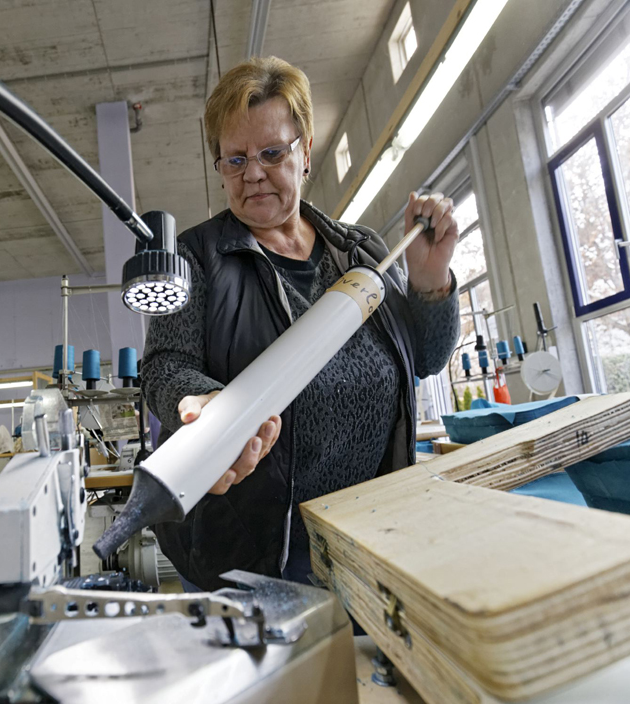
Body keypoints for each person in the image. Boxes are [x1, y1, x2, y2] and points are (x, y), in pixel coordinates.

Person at [141, 57, 460, 592]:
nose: (253, 173)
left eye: (271, 153)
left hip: (376, 529)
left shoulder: (361, 253)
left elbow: (425, 359)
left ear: (305, 151)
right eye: (234, 159)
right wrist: (200, 402)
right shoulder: (194, 259)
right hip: (263, 549)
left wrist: (431, 280)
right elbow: (164, 367)